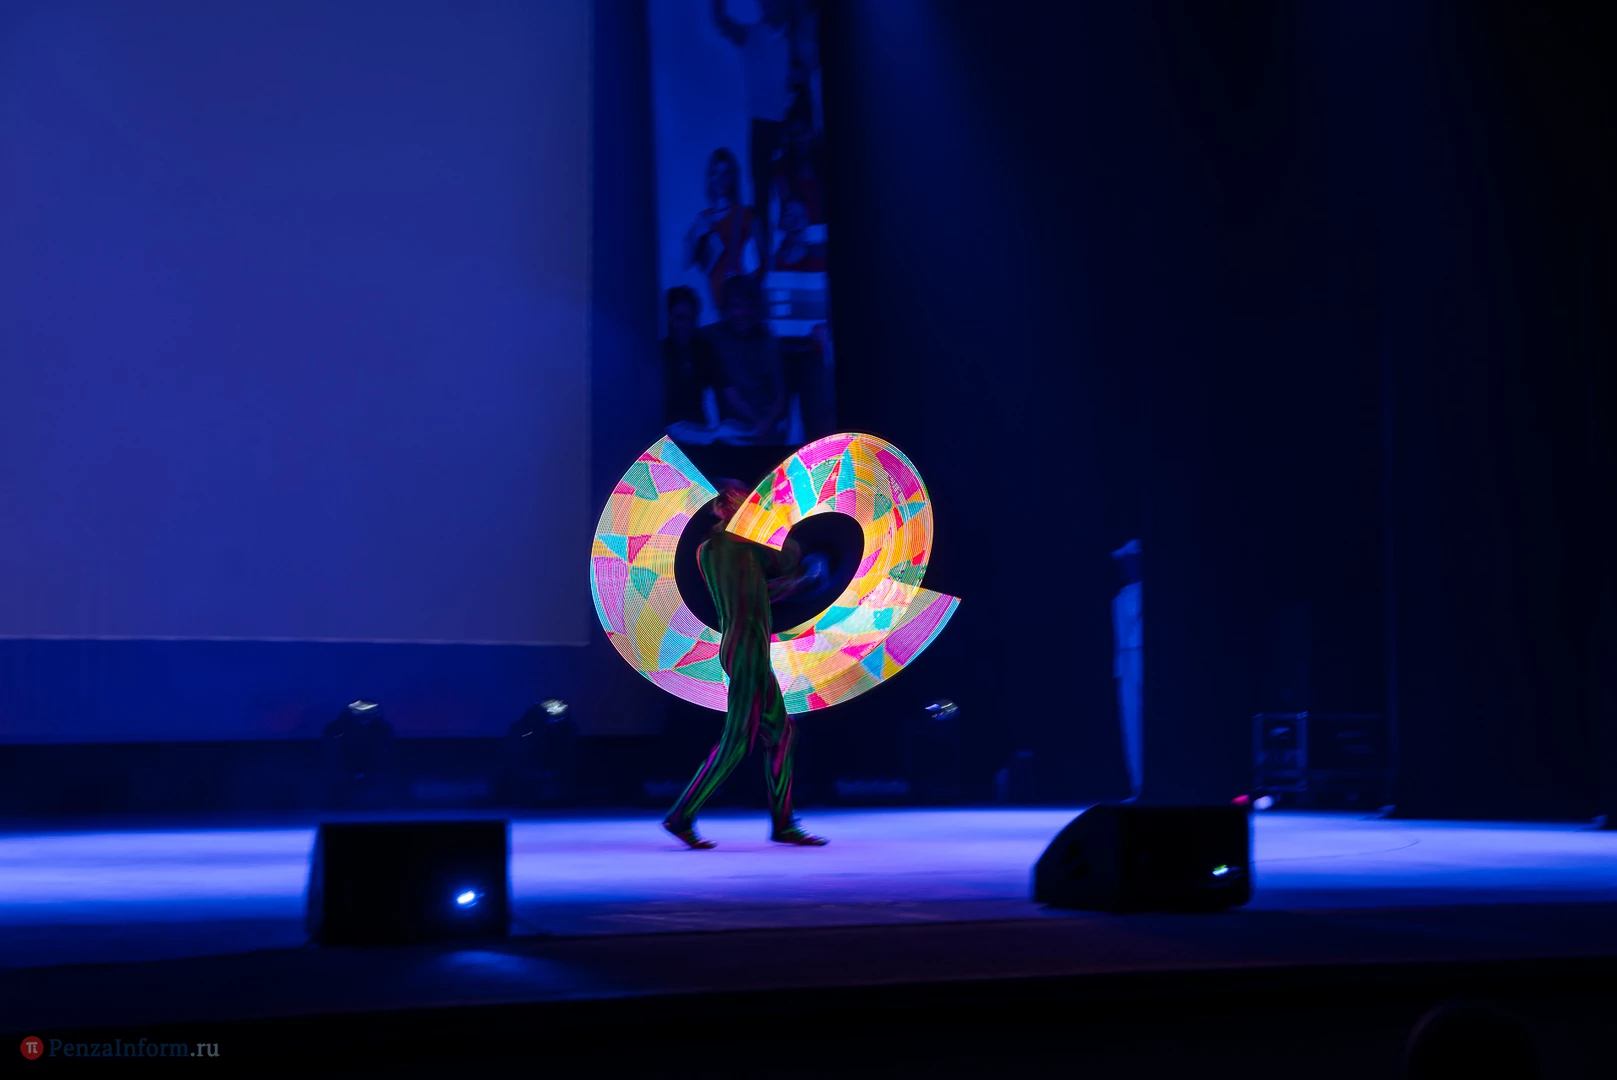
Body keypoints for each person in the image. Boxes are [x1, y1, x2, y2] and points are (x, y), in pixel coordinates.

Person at [663, 480, 827, 849]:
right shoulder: (741, 543)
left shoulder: (709, 550)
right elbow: (787, 561)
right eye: (743, 502)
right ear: (728, 507)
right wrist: (786, 538)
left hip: (740, 646)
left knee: (782, 733)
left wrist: (797, 581)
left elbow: (758, 590)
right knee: (738, 739)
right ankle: (681, 815)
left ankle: (783, 823)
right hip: (747, 648)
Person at [712, 0, 806, 279]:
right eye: (763, 3)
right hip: (762, 125)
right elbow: (723, 23)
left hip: (788, 124)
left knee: (792, 188)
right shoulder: (752, 34)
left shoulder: (795, 38)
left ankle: (797, 252)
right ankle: (767, 263)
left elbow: (802, 76)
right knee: (761, 194)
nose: (766, 6)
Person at [706, 275, 788, 444]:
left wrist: (767, 422)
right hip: (732, 432)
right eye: (737, 306)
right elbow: (730, 393)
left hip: (769, 429)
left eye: (749, 306)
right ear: (726, 308)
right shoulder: (715, 338)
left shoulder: (768, 340)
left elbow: (781, 393)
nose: (743, 313)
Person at [683, 148, 758, 316]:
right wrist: (696, 235)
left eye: (725, 174)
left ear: (732, 177)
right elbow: (686, 263)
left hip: (741, 301)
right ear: (709, 177)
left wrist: (747, 281)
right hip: (713, 301)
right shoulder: (703, 218)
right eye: (715, 173)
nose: (720, 179)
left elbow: (764, 260)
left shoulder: (745, 215)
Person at [661, 286, 720, 430]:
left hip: (698, 431)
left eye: (691, 319)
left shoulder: (703, 350)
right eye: (680, 318)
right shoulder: (658, 354)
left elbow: (723, 387)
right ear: (669, 318)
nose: (686, 325)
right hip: (664, 432)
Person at [1112, 540, 1143, 801]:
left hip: (1144, 656)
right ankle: (1137, 786)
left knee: (1146, 723)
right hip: (1126, 663)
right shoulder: (1119, 599)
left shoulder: (1148, 595)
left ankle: (1148, 784)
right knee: (1131, 725)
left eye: (1130, 560)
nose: (1126, 566)